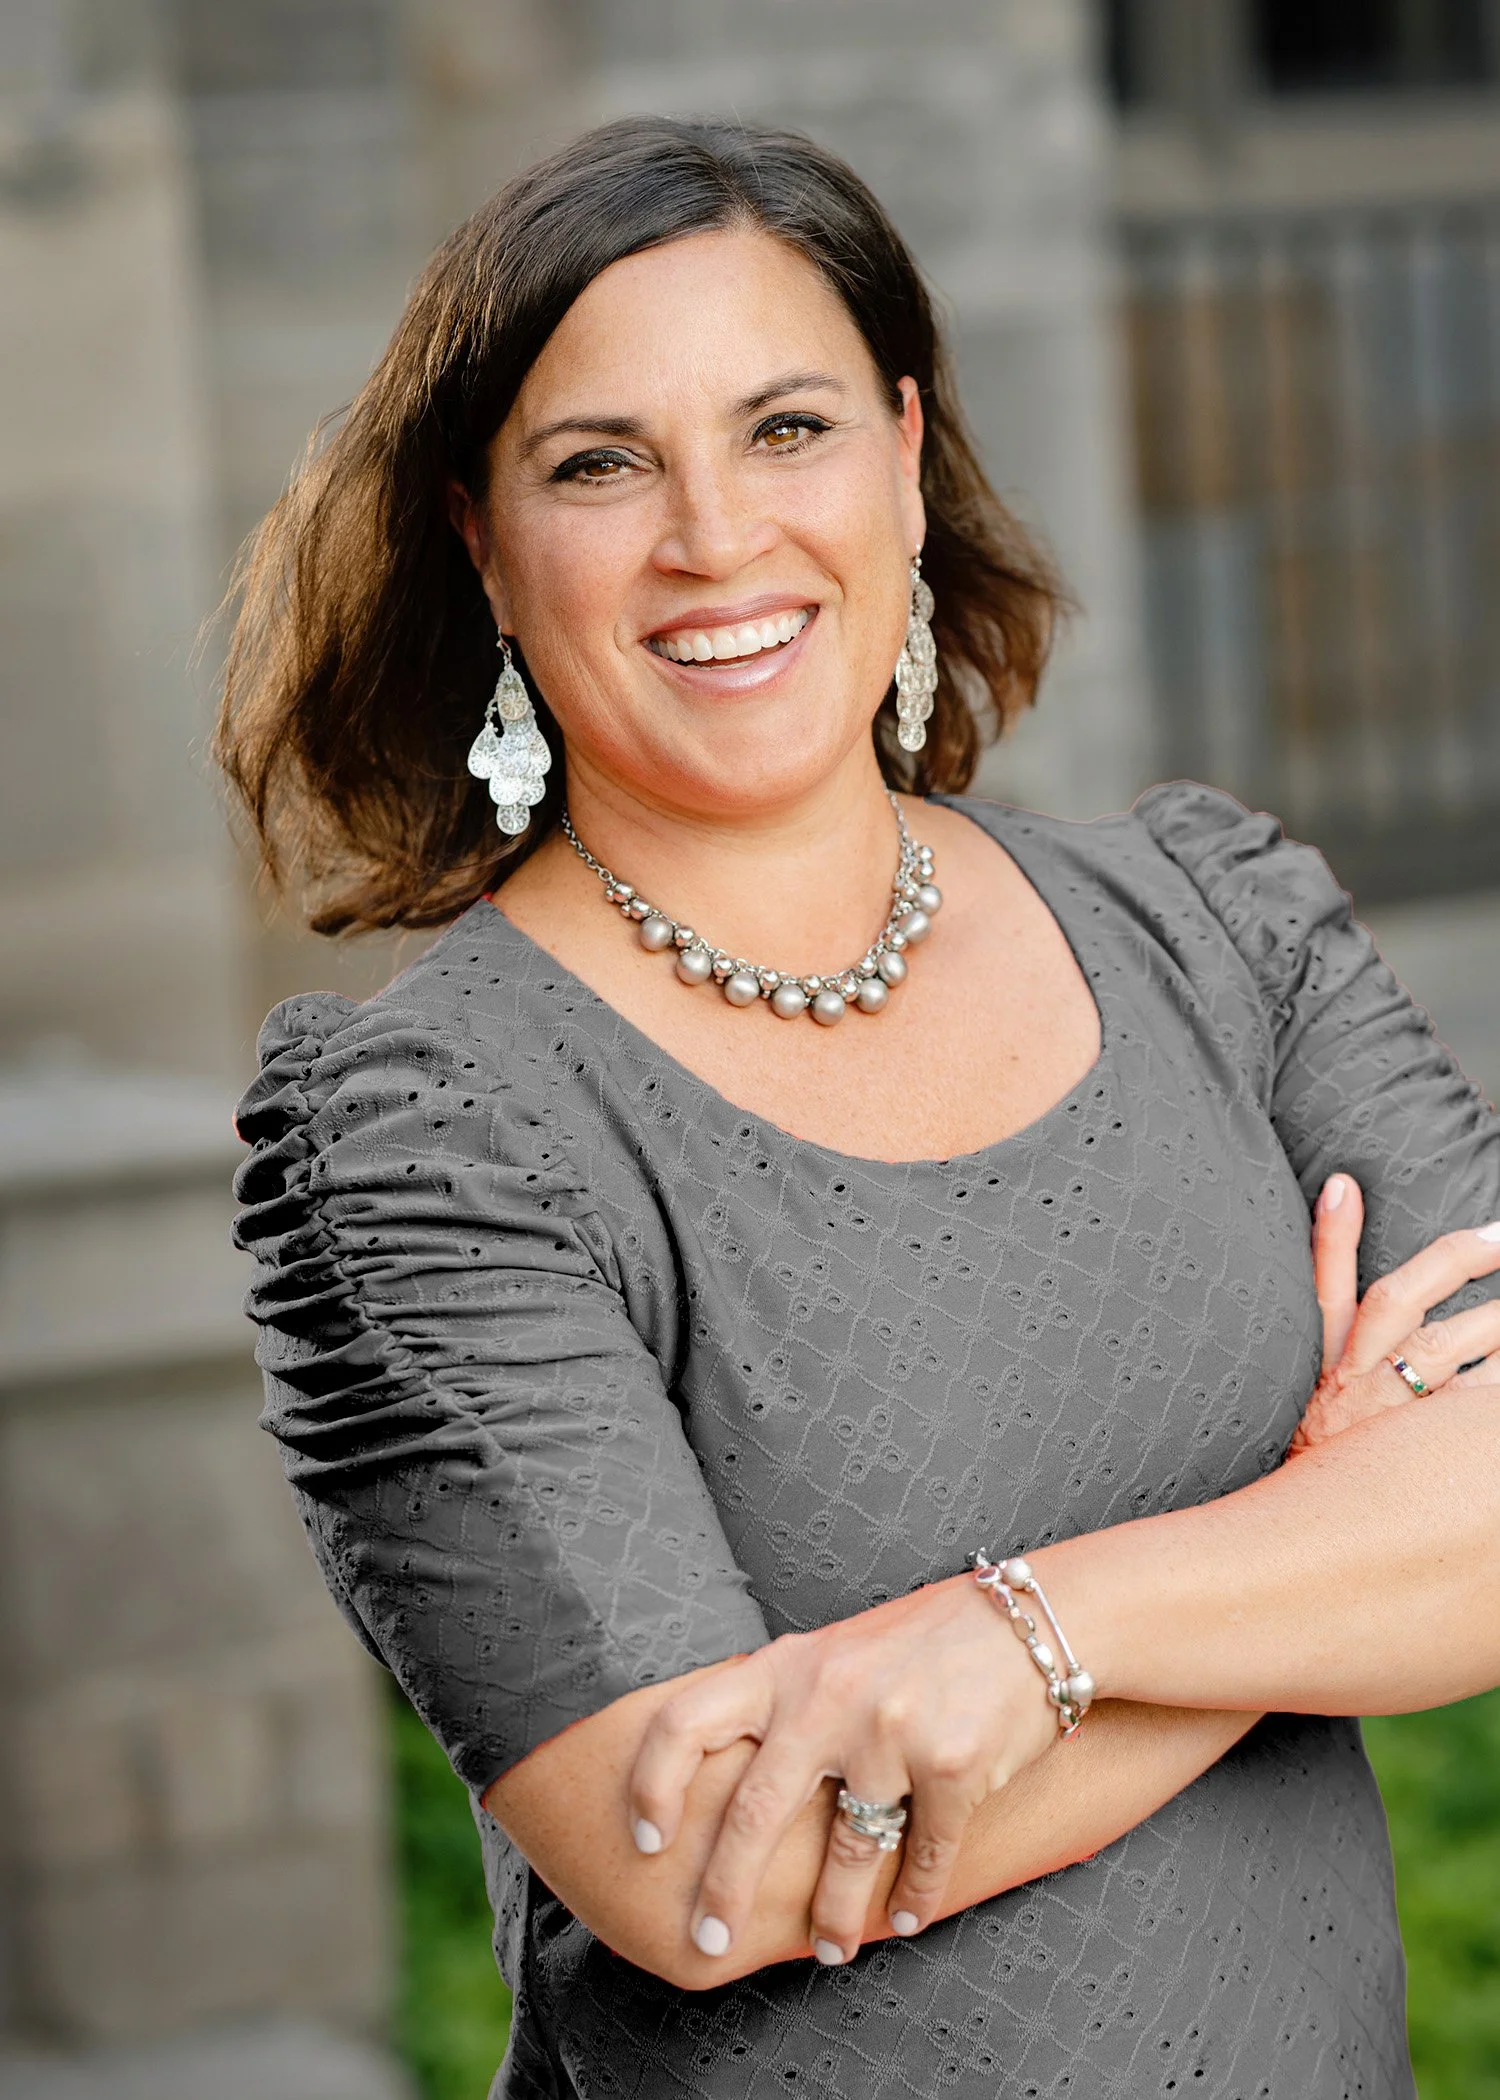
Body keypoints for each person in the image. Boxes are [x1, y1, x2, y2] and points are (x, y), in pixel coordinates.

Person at [221, 116, 1500, 2100]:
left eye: (787, 429)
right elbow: (714, 1877)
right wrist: (1324, 1538)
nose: (716, 537)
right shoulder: (425, 1126)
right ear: (481, 538)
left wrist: (1028, 1637)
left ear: (907, 450)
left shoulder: (1217, 926)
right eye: (600, 464)